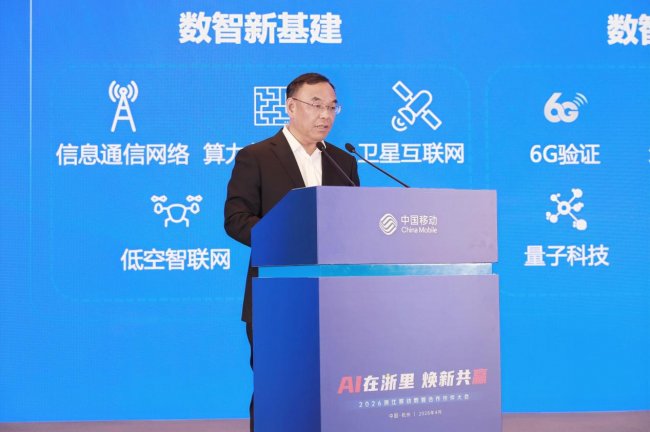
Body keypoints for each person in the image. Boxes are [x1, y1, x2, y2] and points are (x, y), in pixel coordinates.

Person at [223, 72, 359, 431]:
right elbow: (236, 220)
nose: (325, 115)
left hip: (334, 300)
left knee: (331, 391)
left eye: (332, 107)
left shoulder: (343, 162)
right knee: (277, 393)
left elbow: (354, 225)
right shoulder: (256, 157)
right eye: (316, 105)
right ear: (290, 107)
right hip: (275, 298)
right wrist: (291, 238)